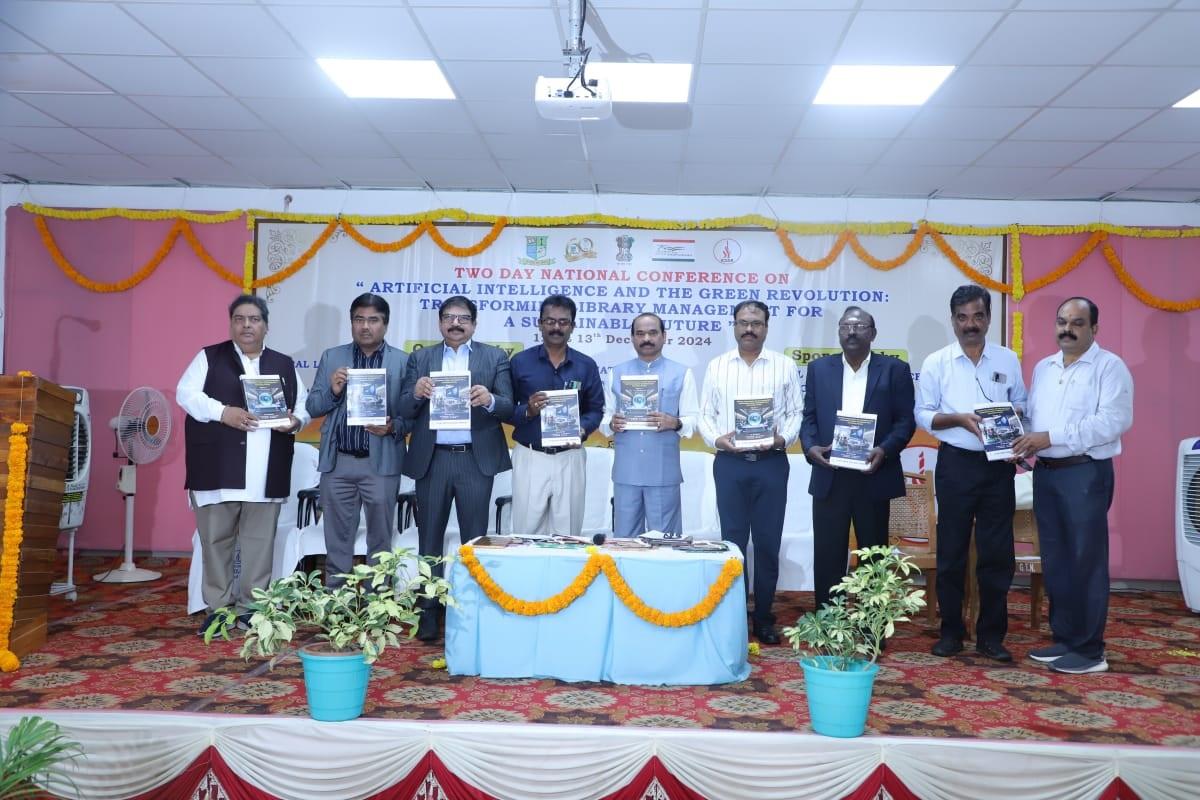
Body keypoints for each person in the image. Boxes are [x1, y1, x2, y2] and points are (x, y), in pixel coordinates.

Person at [1010, 297, 1133, 674]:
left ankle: (1090, 650)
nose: (1067, 329)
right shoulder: (1045, 368)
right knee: (1057, 561)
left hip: (1085, 473)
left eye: (1077, 323)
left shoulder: (1110, 368)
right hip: (1045, 473)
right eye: (1062, 321)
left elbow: (1112, 422)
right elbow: (1035, 418)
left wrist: (1049, 436)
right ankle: (1065, 639)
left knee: (1086, 561)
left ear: (1094, 328)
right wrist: (1015, 430)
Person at [177, 294, 309, 635]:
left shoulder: (283, 363)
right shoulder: (208, 357)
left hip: (265, 473)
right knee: (215, 543)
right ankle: (219, 609)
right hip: (216, 471)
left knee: (259, 546)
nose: (246, 325)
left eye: (254, 319)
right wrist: (224, 413)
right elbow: (186, 394)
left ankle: (253, 608)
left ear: (266, 325)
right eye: (239, 319)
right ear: (231, 323)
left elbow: (304, 405)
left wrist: (294, 421)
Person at [916, 284, 1028, 662]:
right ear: (953, 321)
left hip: (998, 467)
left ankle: (991, 636)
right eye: (962, 317)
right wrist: (960, 420)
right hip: (956, 464)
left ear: (989, 318)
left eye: (978, 316)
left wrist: (1015, 433)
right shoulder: (936, 362)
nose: (970, 324)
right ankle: (951, 632)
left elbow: (1022, 405)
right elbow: (924, 413)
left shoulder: (1007, 359)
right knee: (952, 551)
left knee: (998, 554)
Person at [399, 296, 514, 641]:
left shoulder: (494, 358)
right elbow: (402, 406)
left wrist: (490, 399)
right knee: (429, 537)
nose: (455, 323)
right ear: (439, 323)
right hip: (432, 458)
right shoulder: (421, 358)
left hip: (474, 460)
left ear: (475, 324)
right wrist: (417, 394)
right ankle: (430, 611)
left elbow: (509, 407)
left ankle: (470, 607)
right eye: (449, 317)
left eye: (463, 318)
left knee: (473, 539)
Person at [698, 300, 803, 644]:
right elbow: (705, 415)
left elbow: (795, 414)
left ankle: (764, 618)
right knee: (733, 543)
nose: (749, 329)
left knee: (768, 544)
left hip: (771, 464)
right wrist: (717, 439)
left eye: (756, 323)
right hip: (730, 464)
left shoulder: (784, 366)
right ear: (734, 325)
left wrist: (781, 438)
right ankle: (735, 615)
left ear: (767, 327)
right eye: (743, 322)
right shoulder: (716, 366)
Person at [801, 307, 916, 610]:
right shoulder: (819, 369)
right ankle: (828, 622)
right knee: (827, 554)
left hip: (873, 475)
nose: (851, 332)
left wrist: (885, 449)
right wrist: (811, 448)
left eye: (860, 326)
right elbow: (808, 418)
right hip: (830, 475)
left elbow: (905, 421)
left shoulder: (895, 370)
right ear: (838, 332)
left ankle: (871, 624)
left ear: (873, 334)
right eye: (845, 327)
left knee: (874, 556)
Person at [306, 293, 408, 586]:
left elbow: (411, 415)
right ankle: (337, 605)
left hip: (381, 465)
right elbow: (313, 407)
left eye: (373, 320)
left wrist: (391, 427)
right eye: (359, 319)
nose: (366, 326)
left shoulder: (402, 361)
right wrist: (334, 390)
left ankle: (378, 604)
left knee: (380, 540)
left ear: (385, 325)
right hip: (338, 463)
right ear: (351, 323)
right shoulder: (332, 357)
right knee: (337, 541)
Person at [508, 294, 605, 536]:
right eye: (550, 321)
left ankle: (569, 576)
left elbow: (595, 409)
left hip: (569, 456)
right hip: (531, 455)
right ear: (540, 323)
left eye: (563, 322)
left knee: (568, 533)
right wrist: (527, 410)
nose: (556, 327)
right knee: (525, 532)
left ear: (572, 326)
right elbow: (505, 408)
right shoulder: (520, 362)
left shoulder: (586, 365)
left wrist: (582, 430)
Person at [602, 312, 699, 538]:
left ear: (664, 336)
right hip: (627, 473)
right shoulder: (615, 373)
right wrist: (611, 423)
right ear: (632, 338)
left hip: (663, 473)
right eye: (640, 333)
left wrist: (675, 422)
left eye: (653, 333)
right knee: (625, 542)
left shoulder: (682, 373)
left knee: (665, 545)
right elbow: (605, 417)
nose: (647, 338)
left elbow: (693, 419)